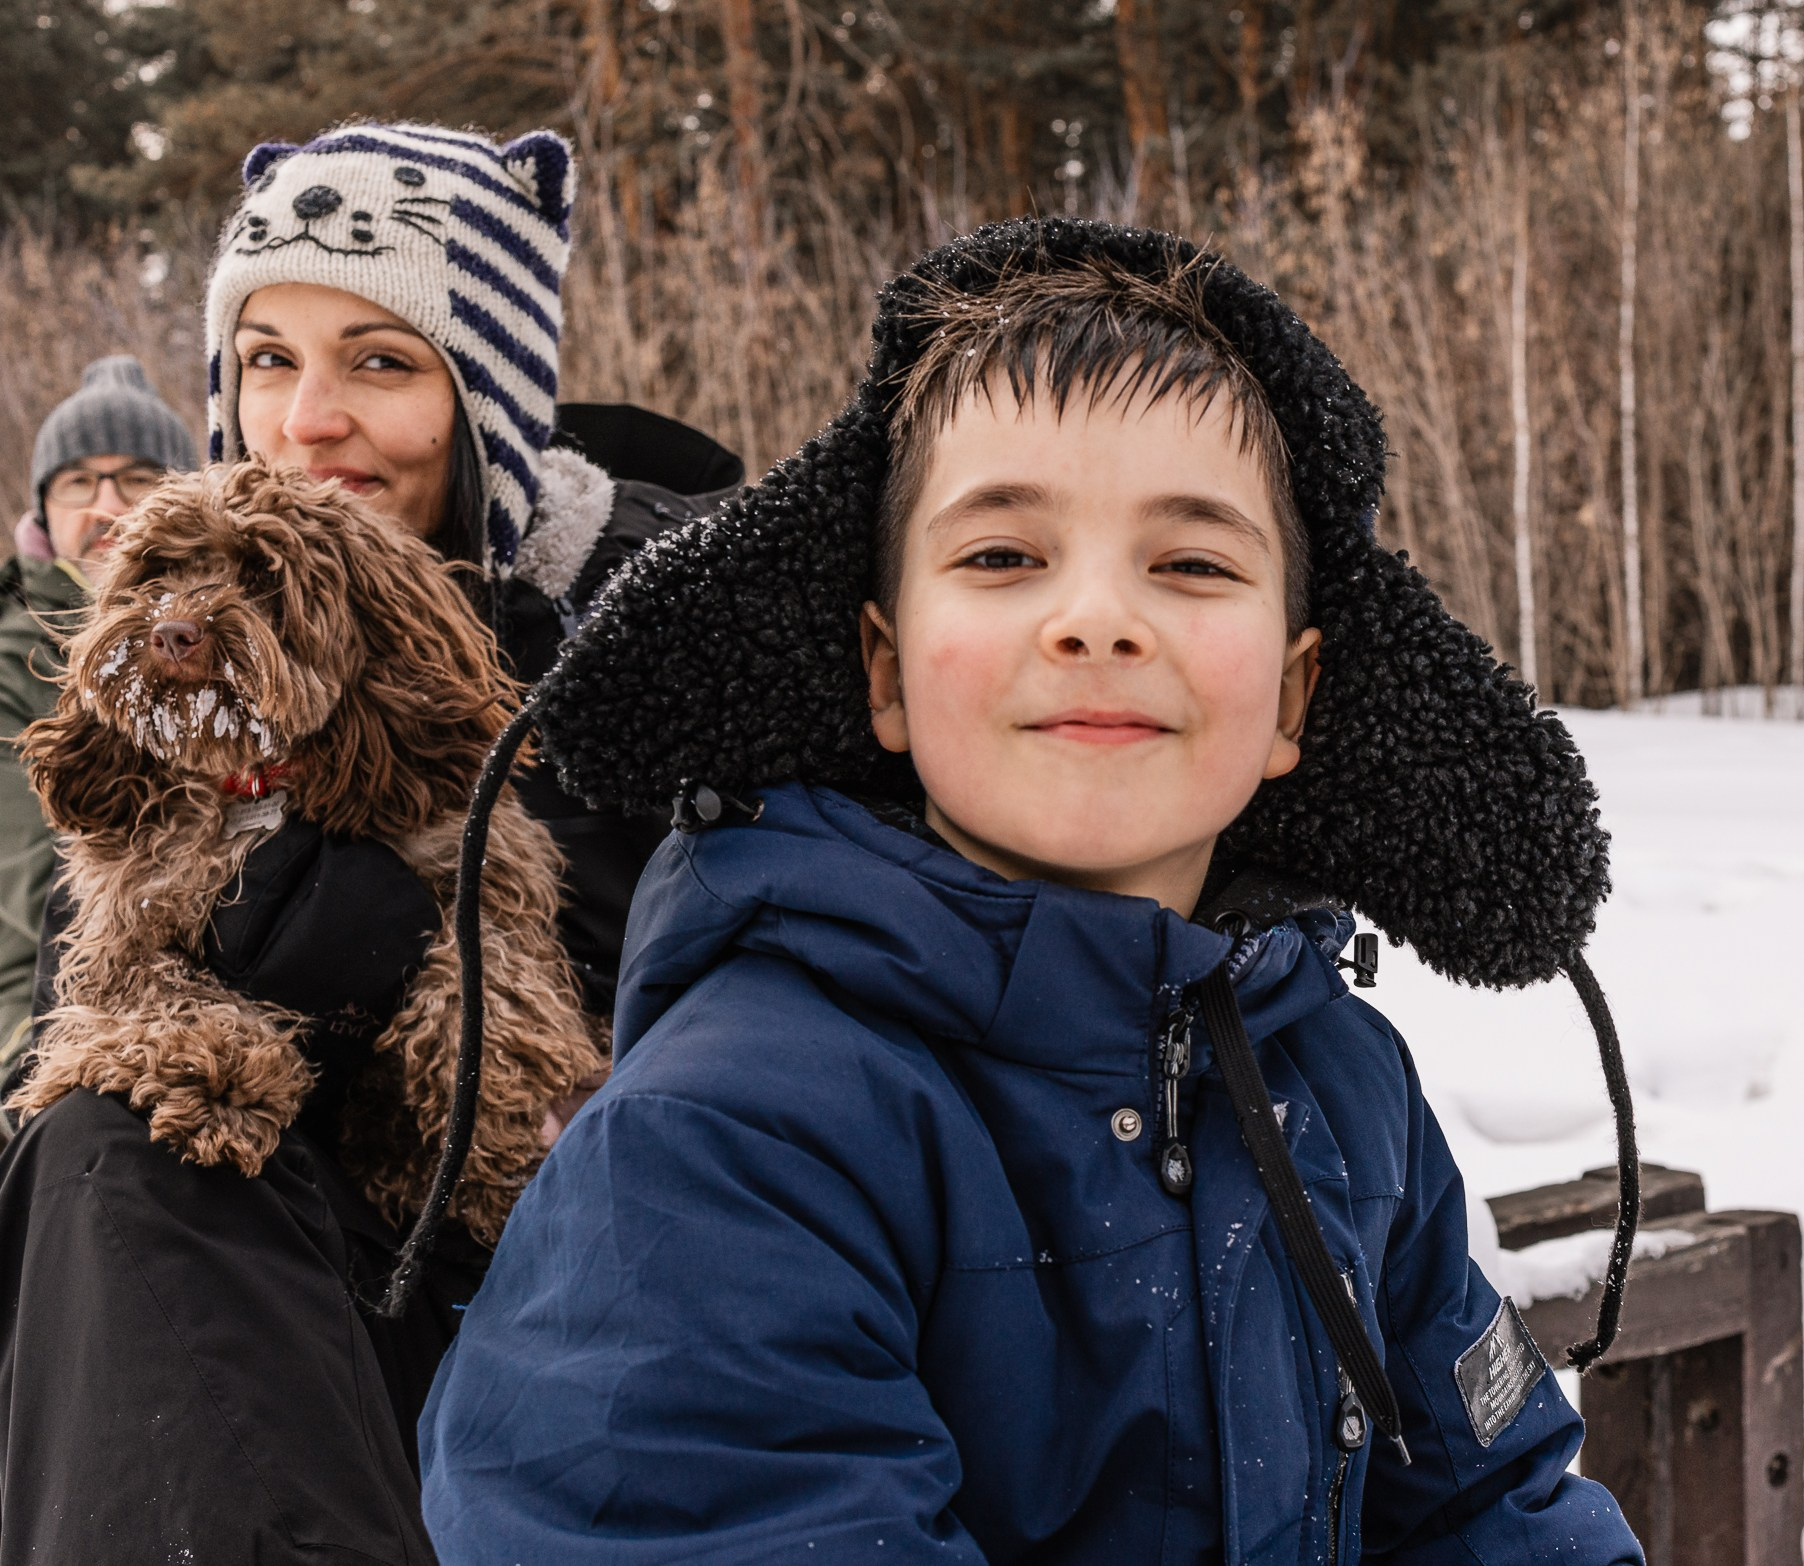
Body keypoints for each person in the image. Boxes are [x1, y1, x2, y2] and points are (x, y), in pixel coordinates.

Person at [418, 221, 1645, 1563]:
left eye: (1191, 563)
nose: (1097, 618)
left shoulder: (1341, 1088)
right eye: (1004, 556)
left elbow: (1492, 1505)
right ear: (884, 671)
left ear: (1294, 695)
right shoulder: (730, 1145)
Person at [0, 123, 738, 1564]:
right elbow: (60, 1011)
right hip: (255, 1323)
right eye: (266, 359)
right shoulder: (170, 675)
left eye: (383, 362)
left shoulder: (658, 633)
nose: (306, 421)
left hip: (591, 1281)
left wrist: (469, 926)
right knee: (104, 1143)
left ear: (492, 402)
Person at [0, 357, 194, 1101]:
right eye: (78, 482)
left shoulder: (237, 636)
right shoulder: (13, 659)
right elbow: (31, 883)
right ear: (44, 510)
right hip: (47, 1001)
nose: (106, 506)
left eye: (137, 479)